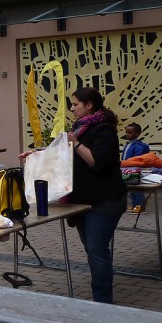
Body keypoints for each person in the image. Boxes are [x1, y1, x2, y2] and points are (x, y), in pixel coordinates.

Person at [63, 87, 127, 305]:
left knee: (96, 250)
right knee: (92, 249)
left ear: (89, 105)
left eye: (75, 104)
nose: (71, 108)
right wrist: (35, 155)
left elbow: (97, 162)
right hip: (83, 200)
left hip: (105, 200)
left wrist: (76, 143)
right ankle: (101, 294)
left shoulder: (103, 130)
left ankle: (102, 302)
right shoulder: (79, 129)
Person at [122, 122, 150, 214]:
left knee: (137, 188)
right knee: (131, 188)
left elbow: (138, 160)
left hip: (135, 170)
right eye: (126, 132)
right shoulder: (128, 144)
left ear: (137, 134)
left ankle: (140, 205)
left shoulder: (138, 147)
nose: (127, 134)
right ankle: (134, 204)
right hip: (127, 169)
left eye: (130, 133)